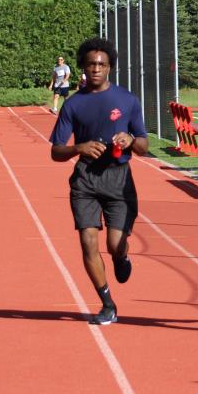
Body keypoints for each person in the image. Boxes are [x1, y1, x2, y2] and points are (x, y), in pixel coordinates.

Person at [49, 38, 148, 325]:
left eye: (101, 64)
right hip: (85, 180)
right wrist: (78, 148)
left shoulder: (127, 100)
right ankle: (107, 303)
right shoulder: (73, 104)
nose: (96, 69)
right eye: (91, 64)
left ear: (110, 67)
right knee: (88, 242)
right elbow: (56, 151)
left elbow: (143, 146)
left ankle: (121, 257)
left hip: (119, 180)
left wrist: (130, 140)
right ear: (83, 66)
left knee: (115, 244)